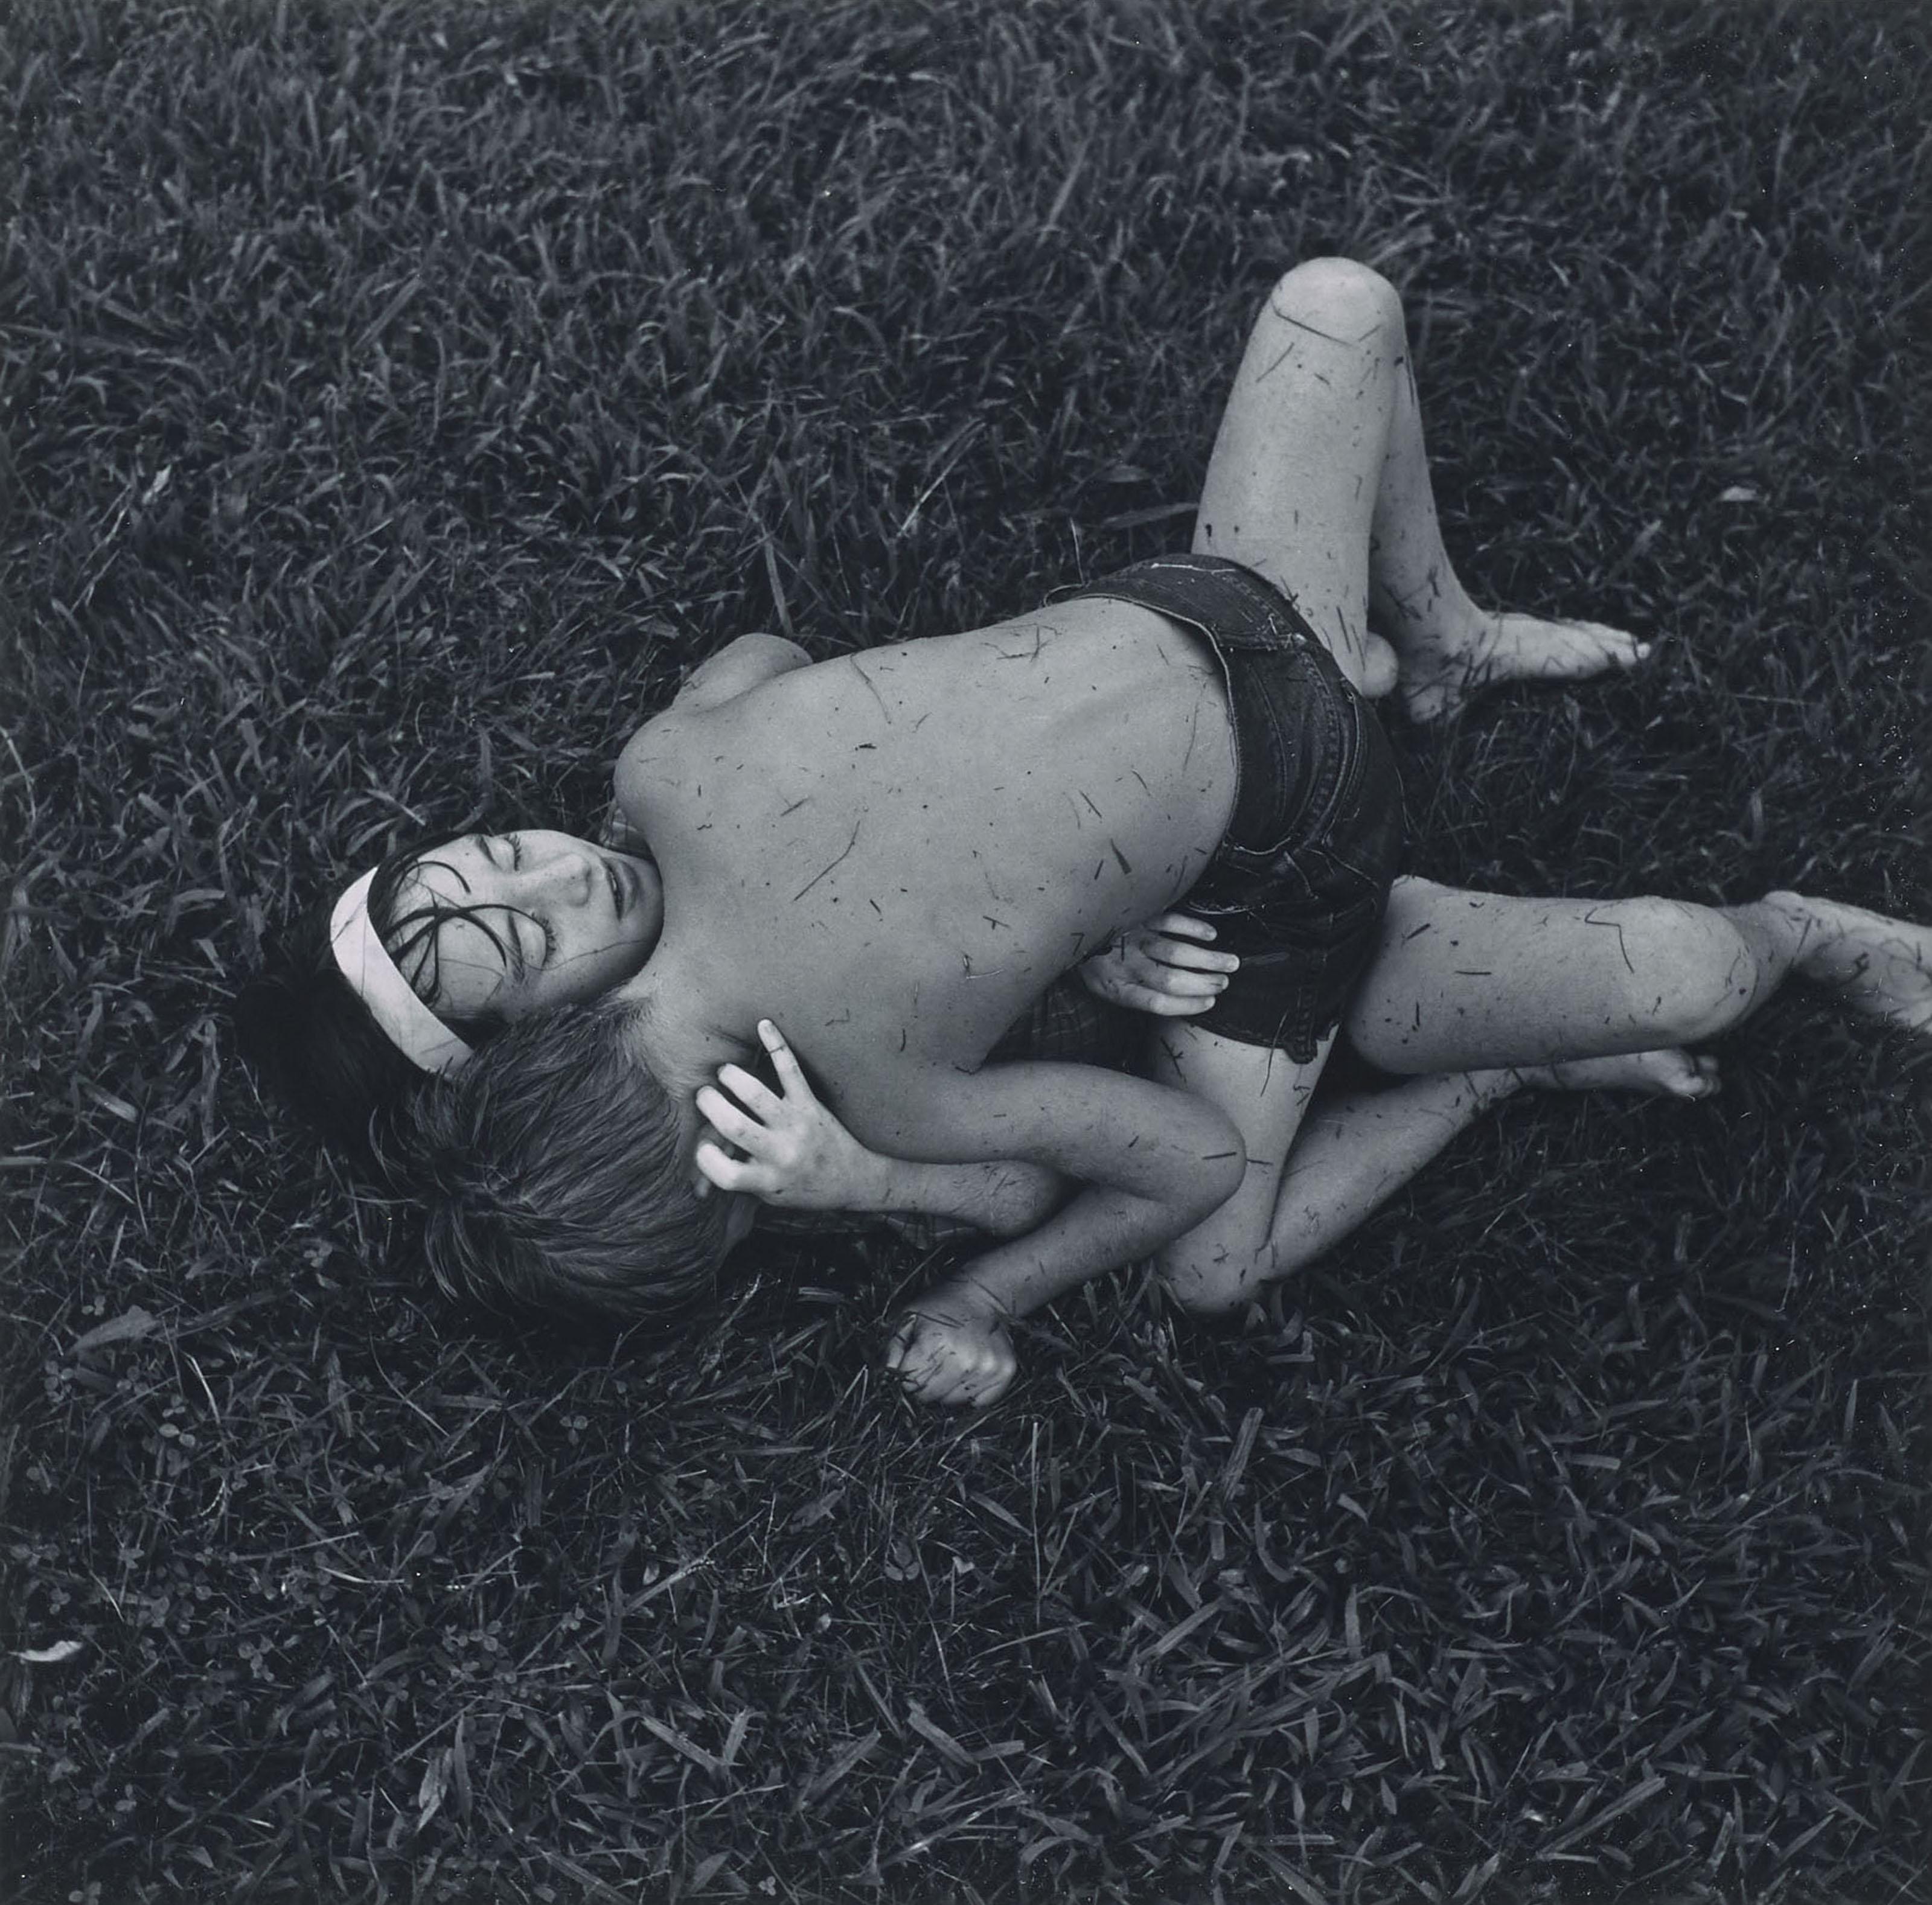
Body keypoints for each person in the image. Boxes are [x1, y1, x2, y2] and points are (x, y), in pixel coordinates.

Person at [358, 258, 1930, 1406]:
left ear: (726, 1172)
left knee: (1210, 1264)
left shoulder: (895, 1087)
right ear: (558, 1026)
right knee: (1335, 306)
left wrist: (969, 1270)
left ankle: (1714, 953)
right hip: (1228, 605)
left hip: (1297, 834)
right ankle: (1436, 641)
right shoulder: (658, 769)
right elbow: (763, 669)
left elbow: (1185, 1159)